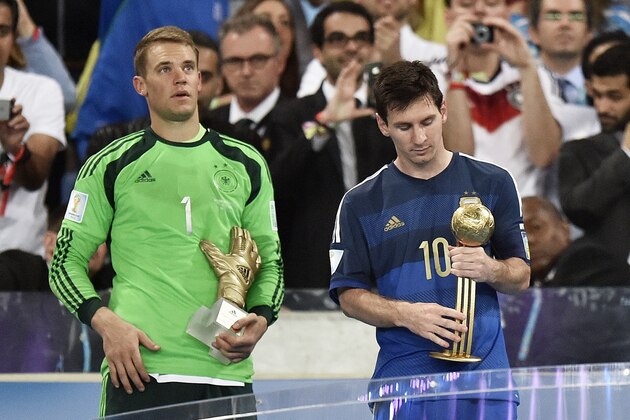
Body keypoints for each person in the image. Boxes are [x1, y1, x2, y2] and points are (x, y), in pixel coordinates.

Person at [49, 26, 283, 417]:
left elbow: (270, 261)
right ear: (140, 85)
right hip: (141, 371)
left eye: (189, 67)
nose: (180, 77)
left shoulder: (246, 163)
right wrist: (107, 324)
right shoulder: (111, 164)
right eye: (165, 69)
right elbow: (63, 264)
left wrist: (261, 318)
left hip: (225, 373)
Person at [329, 60, 529, 418]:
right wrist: (405, 314)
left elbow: (521, 276)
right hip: (405, 380)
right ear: (382, 125)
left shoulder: (493, 182)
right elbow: (348, 295)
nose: (419, 138)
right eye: (404, 127)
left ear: (444, 111)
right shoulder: (360, 202)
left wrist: (489, 268)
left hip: (487, 380)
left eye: (427, 122)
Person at [269, 1, 396, 288]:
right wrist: (324, 123)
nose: (351, 48)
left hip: (385, 264)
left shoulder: (389, 113)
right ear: (317, 50)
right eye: (338, 39)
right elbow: (276, 184)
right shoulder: (292, 114)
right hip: (313, 267)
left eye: (360, 38)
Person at [440, 0, 569, 198]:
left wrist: (526, 67)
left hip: (525, 211)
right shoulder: (429, 78)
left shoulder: (537, 74)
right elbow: (457, 159)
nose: (480, 10)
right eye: (466, 4)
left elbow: (544, 155)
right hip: (461, 210)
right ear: (448, 16)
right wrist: (456, 72)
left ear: (507, 13)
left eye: (491, 3)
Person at [0, 0, 66, 257]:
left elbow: (34, 177)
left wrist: (15, 147)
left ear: (15, 37)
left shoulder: (41, 90)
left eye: (2, 31)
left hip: (21, 255)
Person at [559, 43, 630, 266]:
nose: (602, 107)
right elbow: (578, 209)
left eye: (614, 97)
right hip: (611, 284)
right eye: (597, 96)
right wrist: (626, 153)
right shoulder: (579, 151)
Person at [297, 0, 447, 97]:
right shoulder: (333, 56)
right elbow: (307, 117)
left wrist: (395, 65)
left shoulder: (439, 54)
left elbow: (438, 121)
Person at [206, 13, 290, 163]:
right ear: (222, 68)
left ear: (280, 63)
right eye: (235, 61)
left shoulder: (300, 123)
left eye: (258, 59)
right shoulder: (206, 127)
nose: (246, 72)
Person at [523, 195, 630, 287]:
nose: (528, 240)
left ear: (565, 228)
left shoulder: (585, 259)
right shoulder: (528, 281)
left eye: (536, 227)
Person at [0, 206, 109, 290]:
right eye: (81, 235)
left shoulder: (112, 289)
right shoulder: (14, 271)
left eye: (100, 237)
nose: (92, 244)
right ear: (50, 242)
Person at [528, 0, 594, 106]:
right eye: (553, 16)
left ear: (589, 34)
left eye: (575, 16)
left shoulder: (603, 86)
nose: (565, 24)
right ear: (534, 33)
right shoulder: (517, 84)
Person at [234, 0, 301, 97]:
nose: (277, 29)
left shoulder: (306, 98)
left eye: (284, 22)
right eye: (265, 20)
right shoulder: (222, 105)